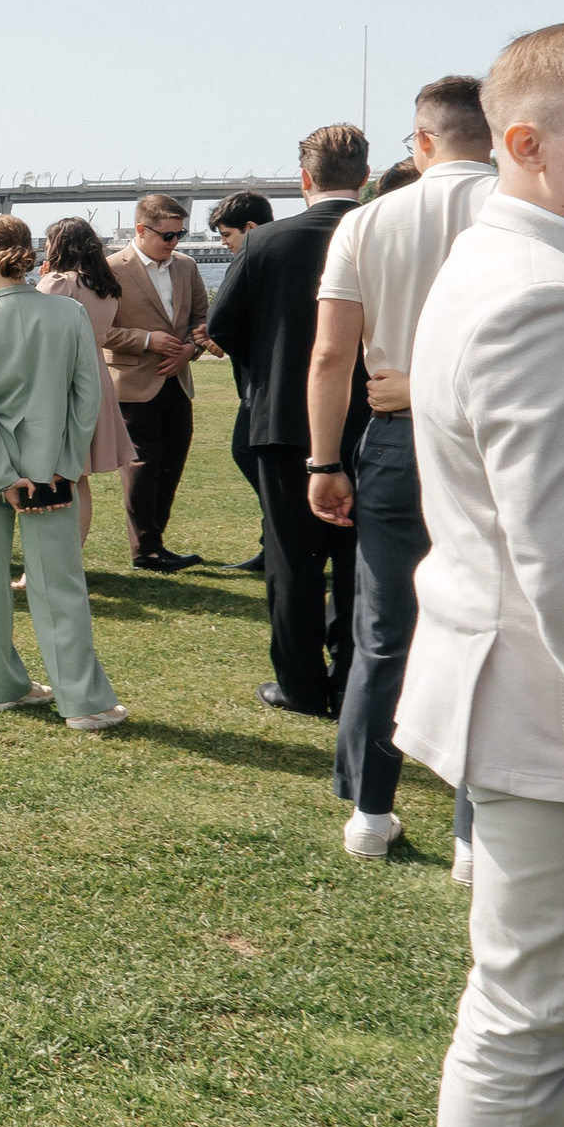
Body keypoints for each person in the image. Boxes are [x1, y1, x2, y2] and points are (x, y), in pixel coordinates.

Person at [396, 23, 564, 1127]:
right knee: (522, 1014)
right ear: (525, 145)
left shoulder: (499, 264)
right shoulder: (540, 294)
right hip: (546, 707)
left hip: (516, 685)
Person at [306, 79, 494, 867]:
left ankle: (370, 811)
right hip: (492, 439)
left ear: (421, 142)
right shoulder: (526, 213)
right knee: (492, 628)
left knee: (382, 630)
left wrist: (323, 458)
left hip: (393, 436)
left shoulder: (367, 222)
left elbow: (330, 355)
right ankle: (474, 831)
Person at [207, 125, 370, 719]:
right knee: (360, 558)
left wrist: (266, 372)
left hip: (282, 420)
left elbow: (223, 326)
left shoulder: (264, 243)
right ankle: (356, 675)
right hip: (369, 416)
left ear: (304, 179)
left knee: (292, 559)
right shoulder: (382, 235)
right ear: (365, 177)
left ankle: (300, 684)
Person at [0, 215, 127, 732]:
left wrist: (3, 476)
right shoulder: (69, 315)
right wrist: (65, 467)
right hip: (51, 466)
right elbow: (86, 396)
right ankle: (83, 702)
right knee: (60, 584)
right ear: (29, 256)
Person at [103, 192, 211, 571]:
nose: (174, 243)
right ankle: (145, 550)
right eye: (167, 235)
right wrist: (146, 340)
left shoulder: (187, 267)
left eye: (179, 235)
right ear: (140, 230)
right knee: (142, 466)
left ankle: (155, 542)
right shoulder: (111, 268)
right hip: (132, 384)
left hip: (176, 381)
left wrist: (188, 350)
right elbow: (99, 329)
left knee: (172, 463)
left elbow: (202, 319)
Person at [36, 218, 138, 542]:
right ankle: (71, 558)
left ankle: (52, 561)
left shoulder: (58, 282)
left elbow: (38, 332)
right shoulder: (105, 285)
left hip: (60, 376)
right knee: (78, 476)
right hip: (95, 373)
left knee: (52, 469)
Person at [209, 190, 277, 572]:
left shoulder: (253, 259)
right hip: (268, 383)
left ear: (249, 228)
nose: (224, 244)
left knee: (248, 451)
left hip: (261, 387)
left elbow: (223, 321)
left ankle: (277, 539)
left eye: (227, 235)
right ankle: (273, 540)